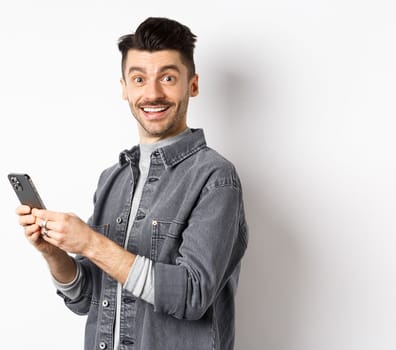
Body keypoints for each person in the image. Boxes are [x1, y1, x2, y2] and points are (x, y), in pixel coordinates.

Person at [15, 17, 248, 350]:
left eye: (168, 77)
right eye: (139, 79)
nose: (152, 93)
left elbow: (192, 295)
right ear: (124, 87)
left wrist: (90, 243)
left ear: (192, 85)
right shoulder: (113, 178)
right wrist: (54, 253)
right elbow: (86, 299)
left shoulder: (215, 178)